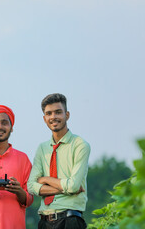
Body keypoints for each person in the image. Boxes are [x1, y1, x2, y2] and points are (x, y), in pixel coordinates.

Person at [28, 93, 91, 229]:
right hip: (44, 221)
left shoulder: (80, 145)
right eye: (49, 113)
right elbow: (31, 187)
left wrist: (45, 179)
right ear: (44, 118)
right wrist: (64, 189)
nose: (53, 117)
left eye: (58, 112)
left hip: (70, 220)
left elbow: (73, 186)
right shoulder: (42, 148)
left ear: (67, 115)